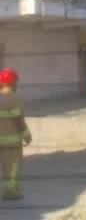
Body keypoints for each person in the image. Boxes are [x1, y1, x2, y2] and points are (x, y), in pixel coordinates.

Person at [0, 68, 32, 200]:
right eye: (15, 81)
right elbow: (18, 120)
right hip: (11, 141)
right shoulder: (12, 98)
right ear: (12, 82)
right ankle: (10, 191)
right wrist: (27, 135)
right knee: (12, 165)